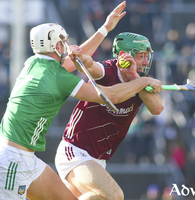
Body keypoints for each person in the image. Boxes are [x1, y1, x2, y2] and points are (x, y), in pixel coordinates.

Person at [0, 11, 162, 200]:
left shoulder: (33, 63)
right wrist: (142, 82)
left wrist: (105, 28)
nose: (66, 47)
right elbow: (110, 96)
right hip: (12, 161)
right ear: (57, 45)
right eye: (64, 43)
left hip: (26, 160)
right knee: (115, 195)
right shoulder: (60, 78)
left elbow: (76, 60)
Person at [55, 32, 164, 200]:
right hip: (75, 151)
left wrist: (135, 78)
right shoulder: (108, 70)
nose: (145, 61)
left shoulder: (141, 80)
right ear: (124, 56)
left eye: (147, 56)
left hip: (98, 160)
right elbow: (91, 66)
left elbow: (157, 108)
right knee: (115, 195)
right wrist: (82, 58)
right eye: (141, 56)